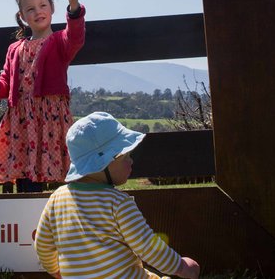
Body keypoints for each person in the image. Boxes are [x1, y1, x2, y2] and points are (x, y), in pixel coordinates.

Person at [35, 112, 201, 279]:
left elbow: (43, 245)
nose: (131, 161)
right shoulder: (117, 202)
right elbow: (147, 246)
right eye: (126, 156)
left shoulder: (56, 199)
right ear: (103, 163)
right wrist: (180, 266)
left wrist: (55, 270)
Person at [0, 0, 84, 192]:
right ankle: (27, 216)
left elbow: (75, 37)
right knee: (26, 174)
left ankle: (63, 214)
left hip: (51, 119)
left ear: (52, 8)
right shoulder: (15, 49)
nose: (38, 11)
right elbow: (7, 82)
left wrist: (74, 7)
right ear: (22, 16)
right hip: (22, 122)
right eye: (30, 9)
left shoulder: (59, 42)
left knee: (62, 174)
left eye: (42, 5)